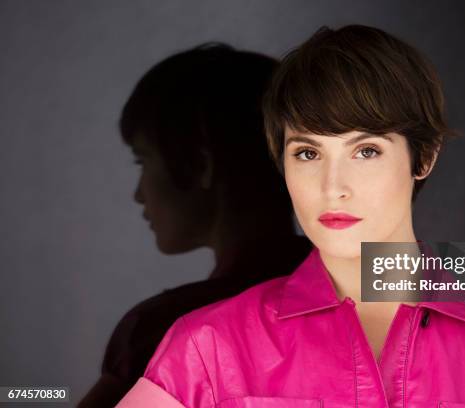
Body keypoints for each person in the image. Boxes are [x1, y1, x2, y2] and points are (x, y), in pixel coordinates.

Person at [117, 26, 465, 407]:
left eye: (366, 150)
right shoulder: (204, 348)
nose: (332, 185)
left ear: (423, 157)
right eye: (306, 153)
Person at [78, 44, 311, 407]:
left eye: (143, 161)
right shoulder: (388, 295)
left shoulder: (162, 331)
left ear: (202, 164)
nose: (139, 195)